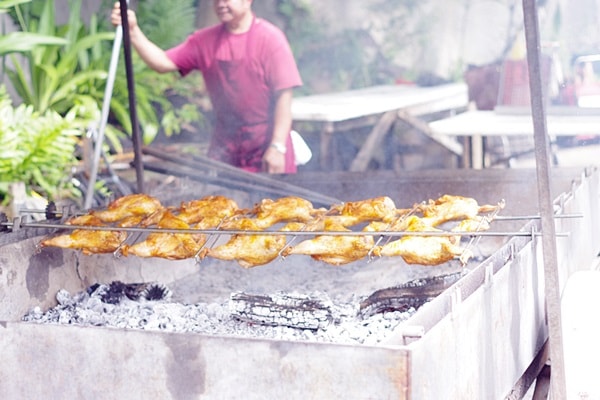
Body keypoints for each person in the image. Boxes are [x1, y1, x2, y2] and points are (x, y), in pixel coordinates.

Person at [111, 0, 302, 173]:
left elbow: (284, 98)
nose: (221, 3)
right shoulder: (205, 40)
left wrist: (277, 147)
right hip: (226, 147)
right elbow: (162, 62)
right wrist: (133, 31)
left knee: (275, 209)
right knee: (220, 207)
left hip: (267, 144)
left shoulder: (270, 39)